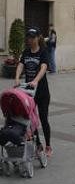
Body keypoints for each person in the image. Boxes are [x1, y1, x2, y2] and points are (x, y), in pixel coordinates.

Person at [14, 28, 52, 157]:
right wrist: (17, 78)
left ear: (38, 38)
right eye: (28, 37)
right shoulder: (26, 52)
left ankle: (48, 146)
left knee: (43, 118)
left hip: (42, 92)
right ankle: (38, 145)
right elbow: (20, 64)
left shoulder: (43, 52)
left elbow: (44, 67)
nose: (30, 40)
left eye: (32, 37)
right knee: (30, 119)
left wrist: (35, 80)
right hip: (29, 93)